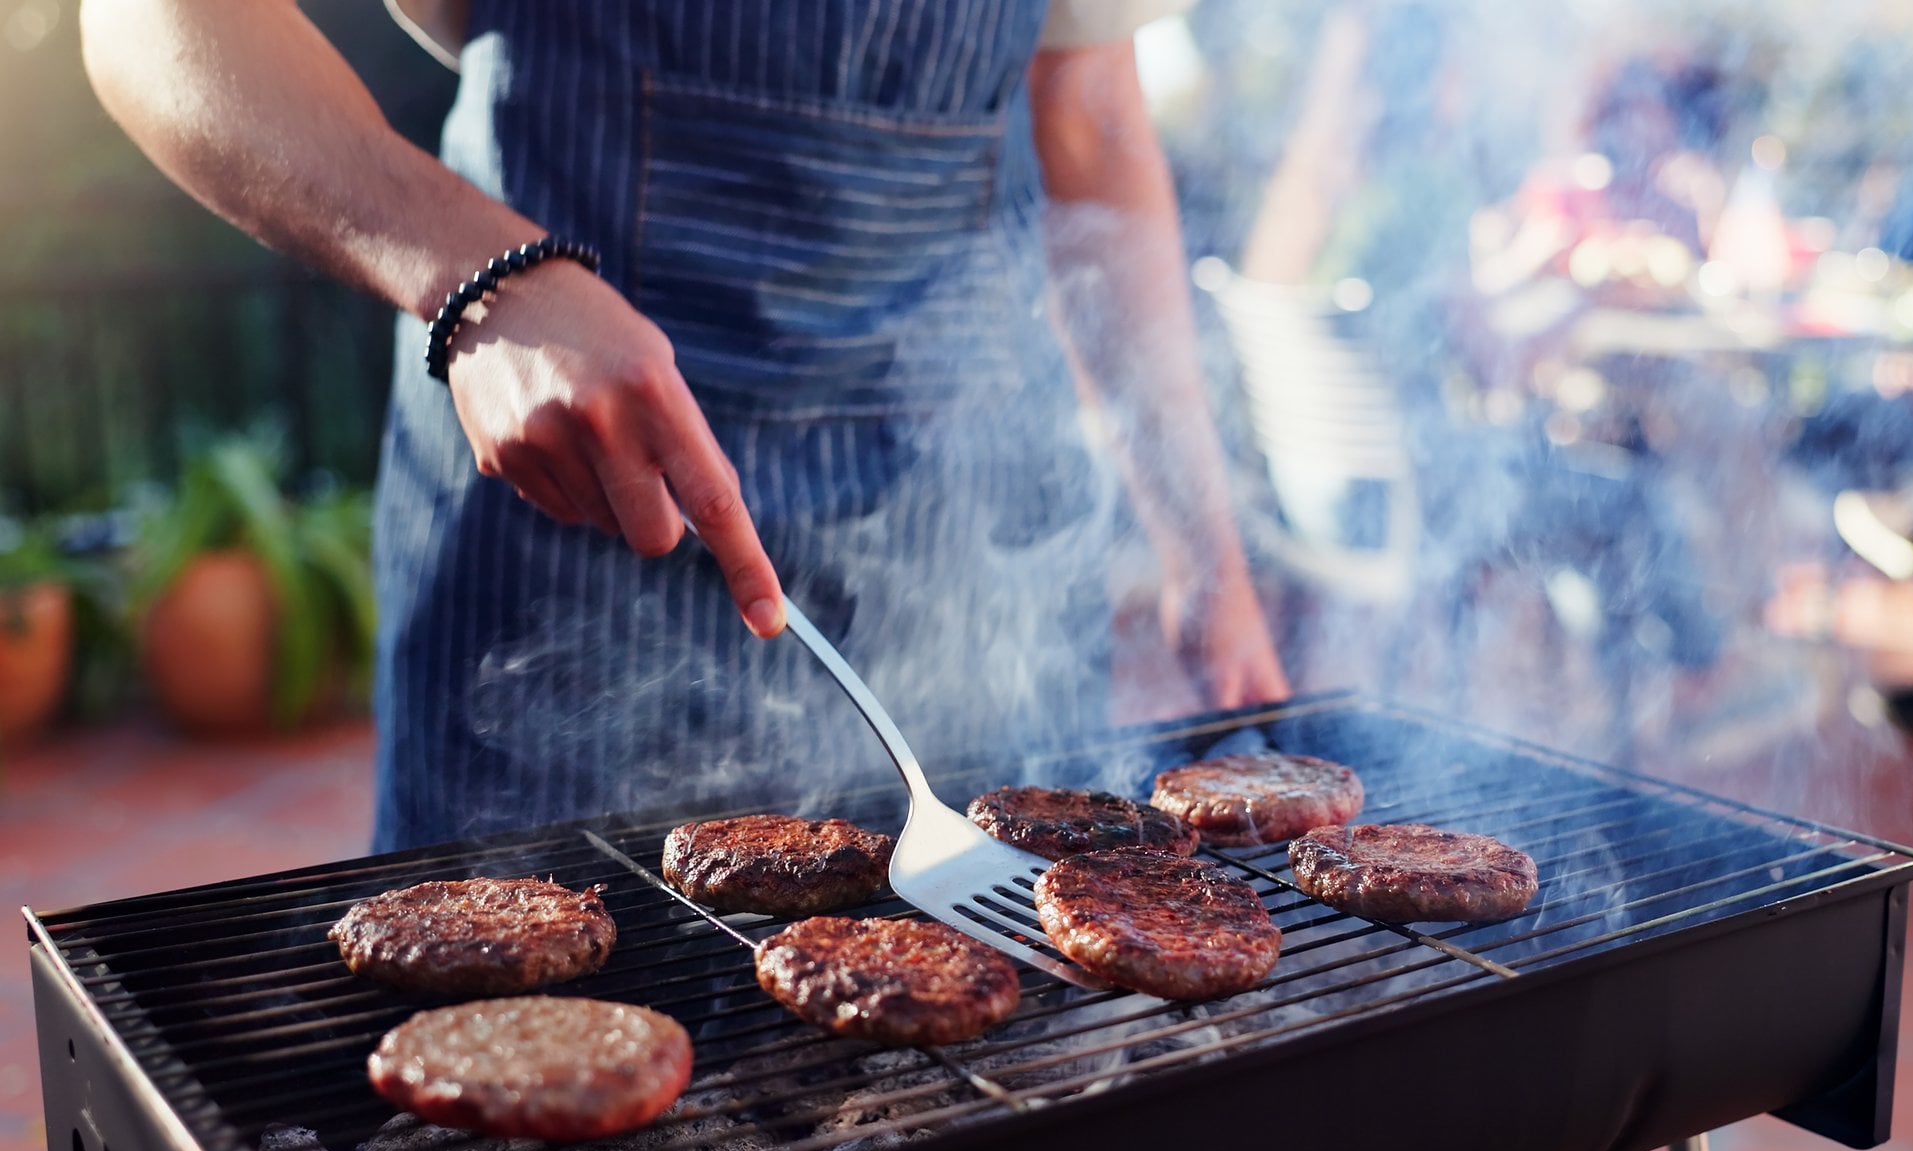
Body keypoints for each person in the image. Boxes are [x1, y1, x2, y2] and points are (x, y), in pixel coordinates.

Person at [82, 0, 1290, 849]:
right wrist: (478, 274)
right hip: (565, 548)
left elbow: (1091, 118)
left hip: (968, 542)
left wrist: (1205, 556)